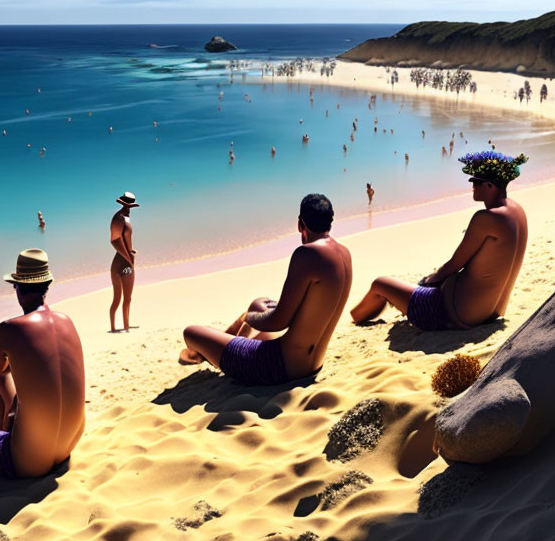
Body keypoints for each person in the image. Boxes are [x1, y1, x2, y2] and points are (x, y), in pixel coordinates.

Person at [180, 194, 352, 384]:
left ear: (300, 224)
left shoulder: (307, 253)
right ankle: (223, 342)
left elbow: (278, 322)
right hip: (312, 364)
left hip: (277, 366)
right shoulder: (344, 253)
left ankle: (200, 354)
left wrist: (249, 318)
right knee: (260, 303)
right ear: (330, 222)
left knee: (191, 332)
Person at [351, 152, 529, 330]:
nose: (472, 187)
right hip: (492, 312)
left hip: (458, 313)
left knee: (380, 284)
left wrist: (427, 282)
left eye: (475, 182)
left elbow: (455, 264)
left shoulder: (487, 218)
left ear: (490, 185)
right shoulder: (517, 211)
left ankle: (355, 321)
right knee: (418, 284)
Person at [0, 249, 84, 478]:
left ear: (18, 289)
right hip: (68, 448)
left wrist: (8, 358)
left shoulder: (10, 329)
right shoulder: (67, 321)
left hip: (28, 462)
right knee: (6, 380)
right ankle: (4, 434)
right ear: (47, 286)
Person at [109, 192, 139, 332]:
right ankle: (114, 327)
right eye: (128, 206)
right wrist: (128, 256)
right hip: (123, 263)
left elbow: (123, 239)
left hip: (125, 260)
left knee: (127, 297)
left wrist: (130, 251)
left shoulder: (124, 217)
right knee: (118, 298)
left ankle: (126, 325)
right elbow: (115, 240)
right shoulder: (120, 217)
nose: (129, 208)